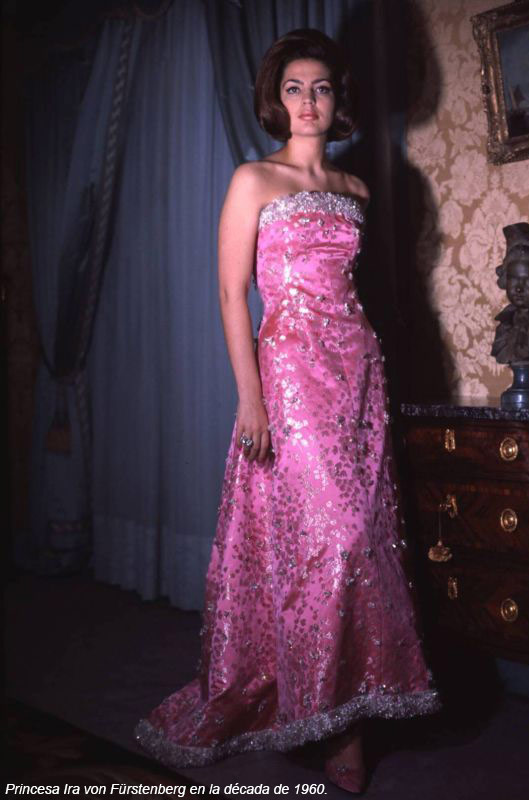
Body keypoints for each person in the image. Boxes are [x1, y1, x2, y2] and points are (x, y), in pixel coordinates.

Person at [134, 28, 441, 794]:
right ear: (277, 99)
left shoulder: (359, 190)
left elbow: (366, 293)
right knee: (329, 541)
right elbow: (229, 292)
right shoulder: (253, 180)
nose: (308, 102)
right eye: (295, 88)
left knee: (367, 539)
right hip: (290, 377)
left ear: (339, 101)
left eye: (322, 88)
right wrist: (251, 397)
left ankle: (351, 703)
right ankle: (333, 721)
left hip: (357, 371)